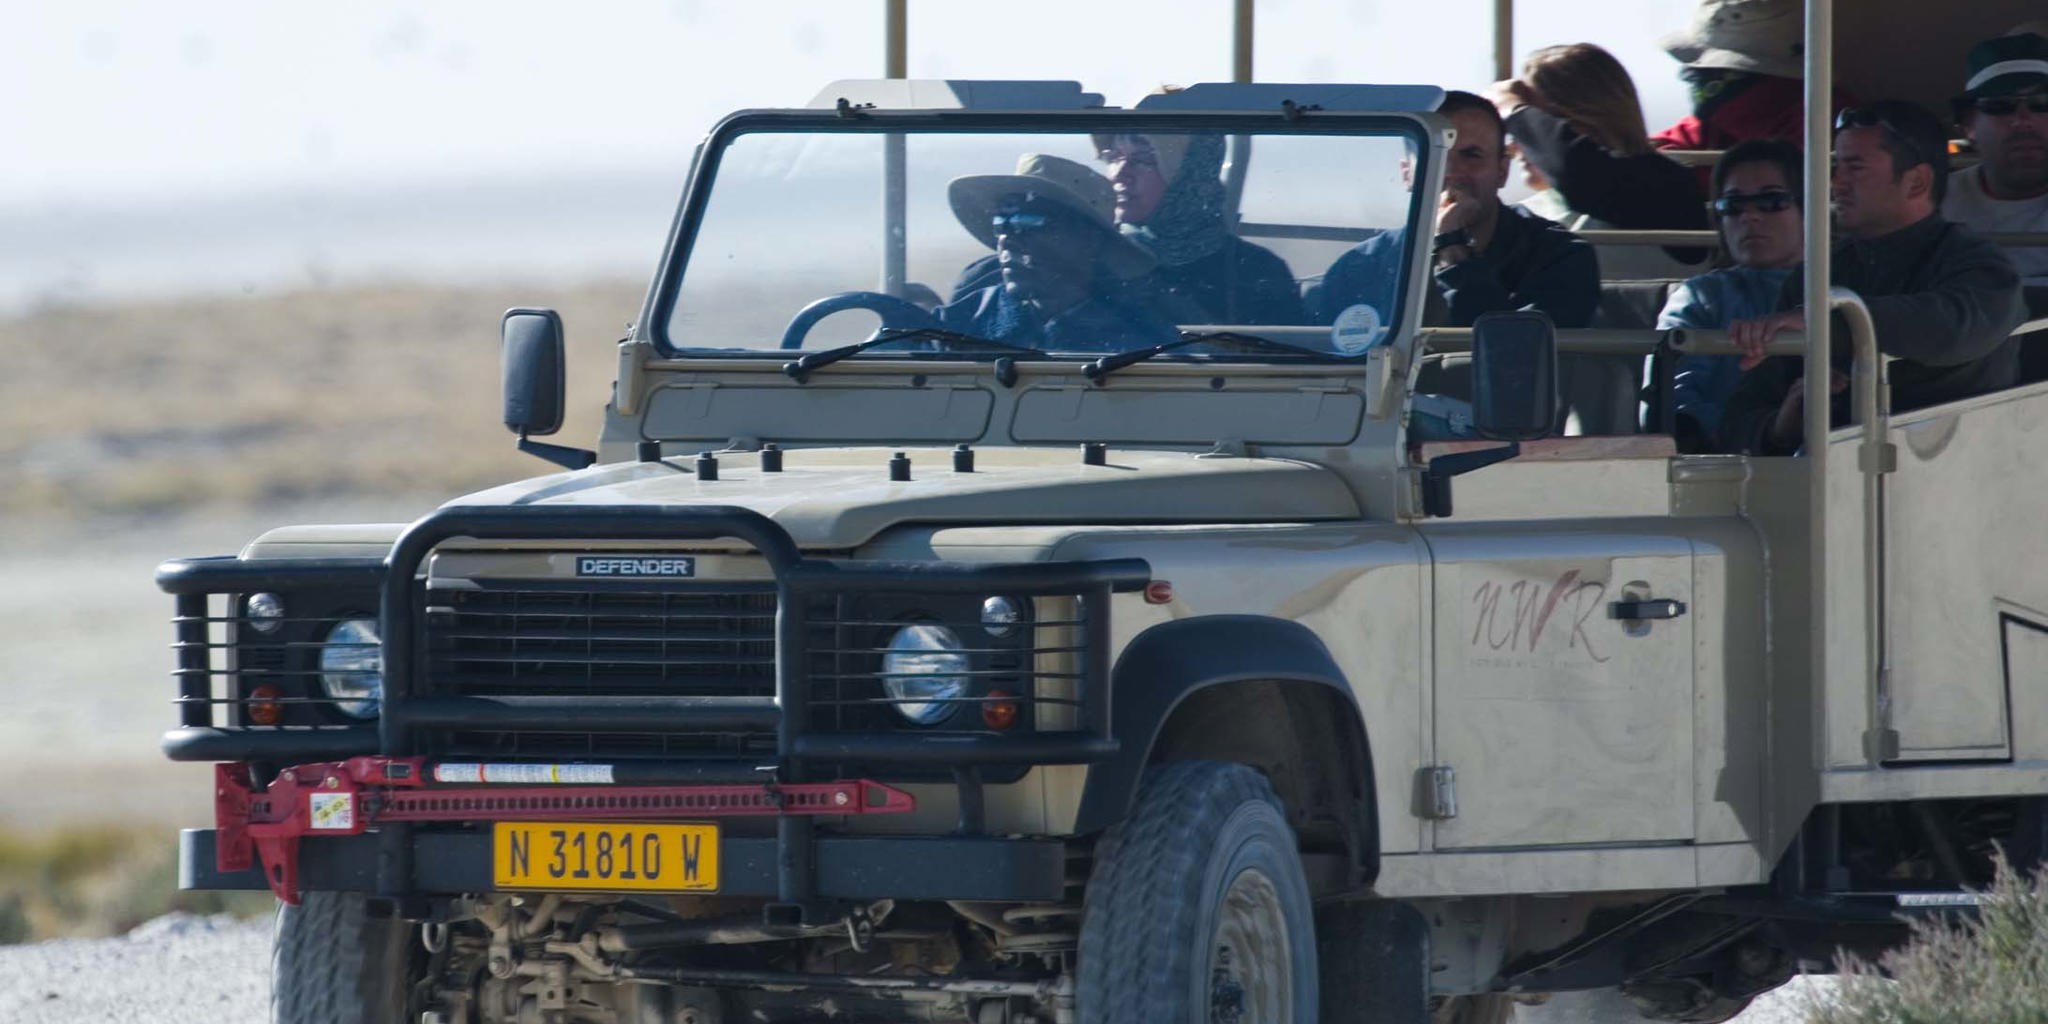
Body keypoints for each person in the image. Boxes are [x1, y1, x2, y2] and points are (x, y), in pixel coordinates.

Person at [1718, 101, 2028, 455]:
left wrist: (1828, 325)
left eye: (1855, 168)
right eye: (1836, 166)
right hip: (1833, 485)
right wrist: (1779, 427)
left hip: (1959, 475)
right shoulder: (1819, 273)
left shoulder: (1981, 267)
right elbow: (1740, 414)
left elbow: (1956, 326)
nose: (1835, 182)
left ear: (1916, 182)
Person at [1308, 90, 1598, 331]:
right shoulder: (1361, 268)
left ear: (1501, 171)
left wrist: (1453, 249)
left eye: (1472, 155)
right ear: (1407, 173)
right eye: (1436, 154)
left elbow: (1513, 359)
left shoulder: (1560, 256)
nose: (1452, 172)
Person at [1495, 43, 1710, 275]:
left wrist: (1513, 111)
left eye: (1543, 124)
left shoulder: (1666, 189)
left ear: (1598, 119)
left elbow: (1579, 172)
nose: (1519, 143)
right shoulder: (1519, 217)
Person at [935, 154, 1178, 352]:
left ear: (1089, 239)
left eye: (1028, 222)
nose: (1007, 239)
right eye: (1001, 223)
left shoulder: (1145, 344)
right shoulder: (956, 326)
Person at [1656, 139, 1807, 450]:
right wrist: (1764, 433)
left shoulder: (1852, 288)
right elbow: (1675, 404)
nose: (1749, 216)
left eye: (1771, 201)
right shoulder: (1700, 298)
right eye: (1732, 205)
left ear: (1810, 207)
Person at [1096, 131, 1307, 324]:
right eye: (1113, 157)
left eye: (1142, 160)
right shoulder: (1094, 261)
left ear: (1189, 173)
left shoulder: (1258, 272)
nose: (1120, 174)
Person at [1652, 0, 1856, 155]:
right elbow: (1681, 140)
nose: (1697, 81)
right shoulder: (1717, 122)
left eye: (1713, 73)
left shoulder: (1826, 119)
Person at [1943, 30, 2048, 288]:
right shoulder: (1931, 204)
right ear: (1968, 124)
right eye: (2000, 104)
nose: (2023, 119)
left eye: (2042, 103)